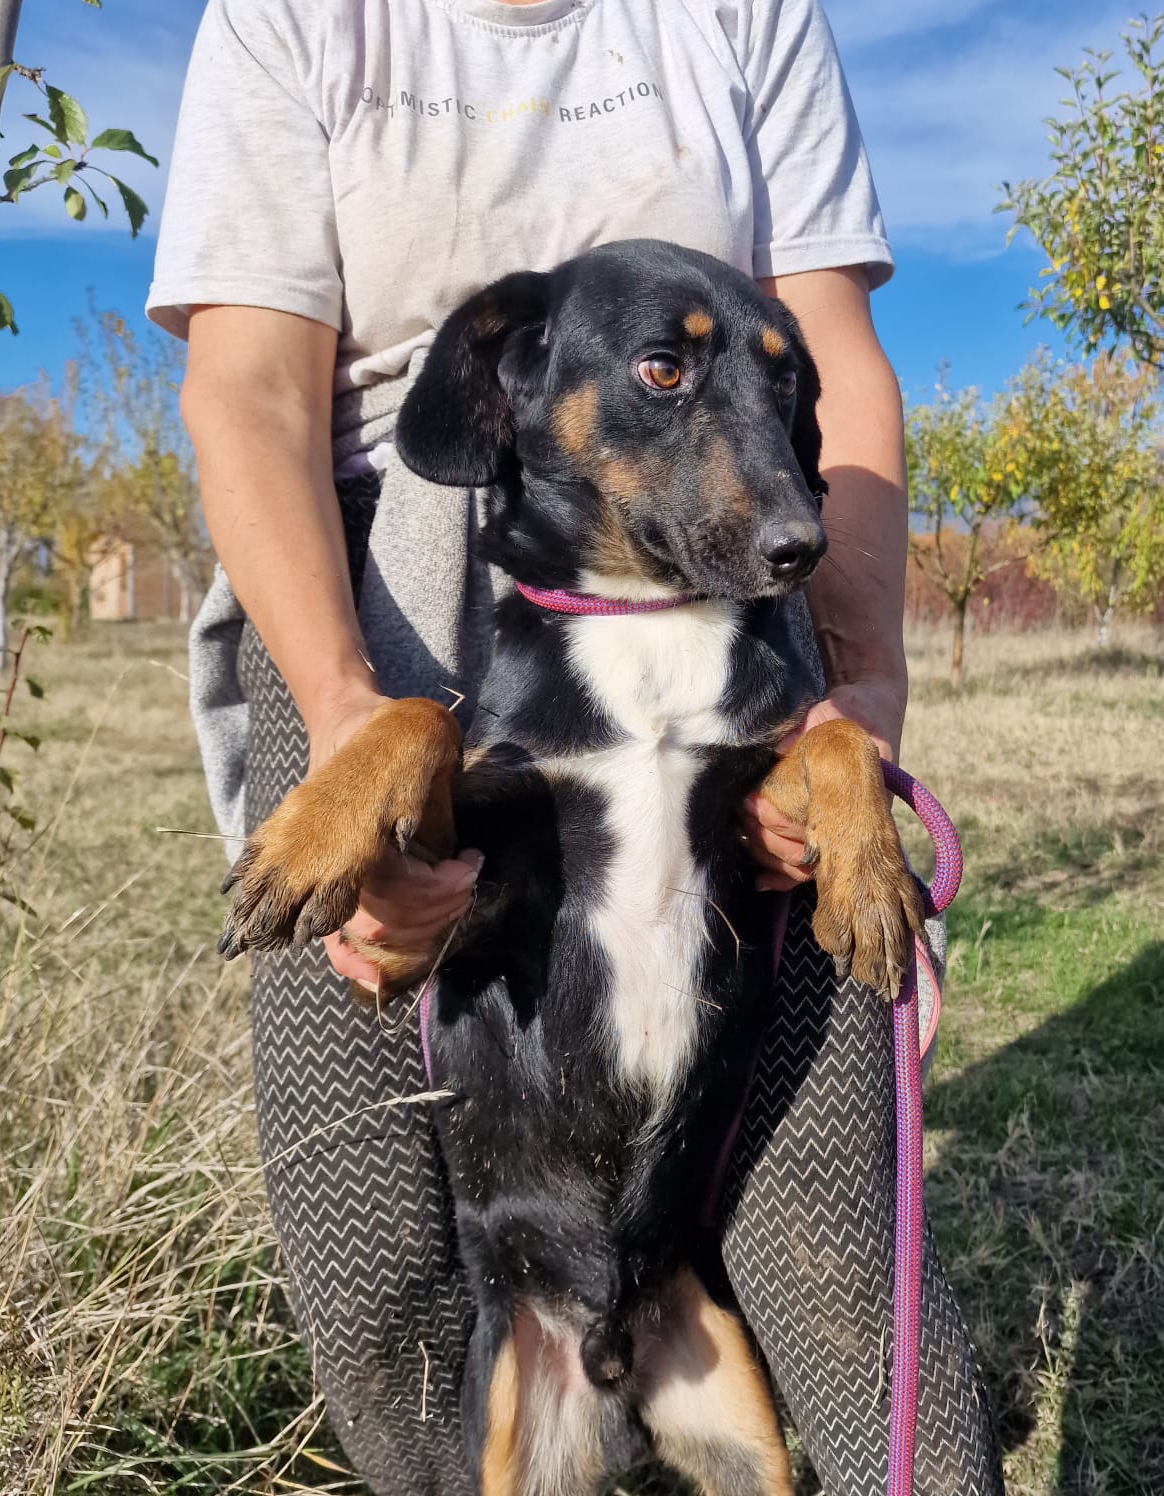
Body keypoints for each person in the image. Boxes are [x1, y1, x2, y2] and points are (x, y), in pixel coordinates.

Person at [149, 1, 1004, 1492]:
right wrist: (353, 719)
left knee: (838, 1248)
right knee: (376, 1280)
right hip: (369, 595)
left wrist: (857, 700)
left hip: (734, 614)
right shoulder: (296, 15)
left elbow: (837, 364)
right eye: (669, 369)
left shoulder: (744, 15)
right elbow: (252, 382)